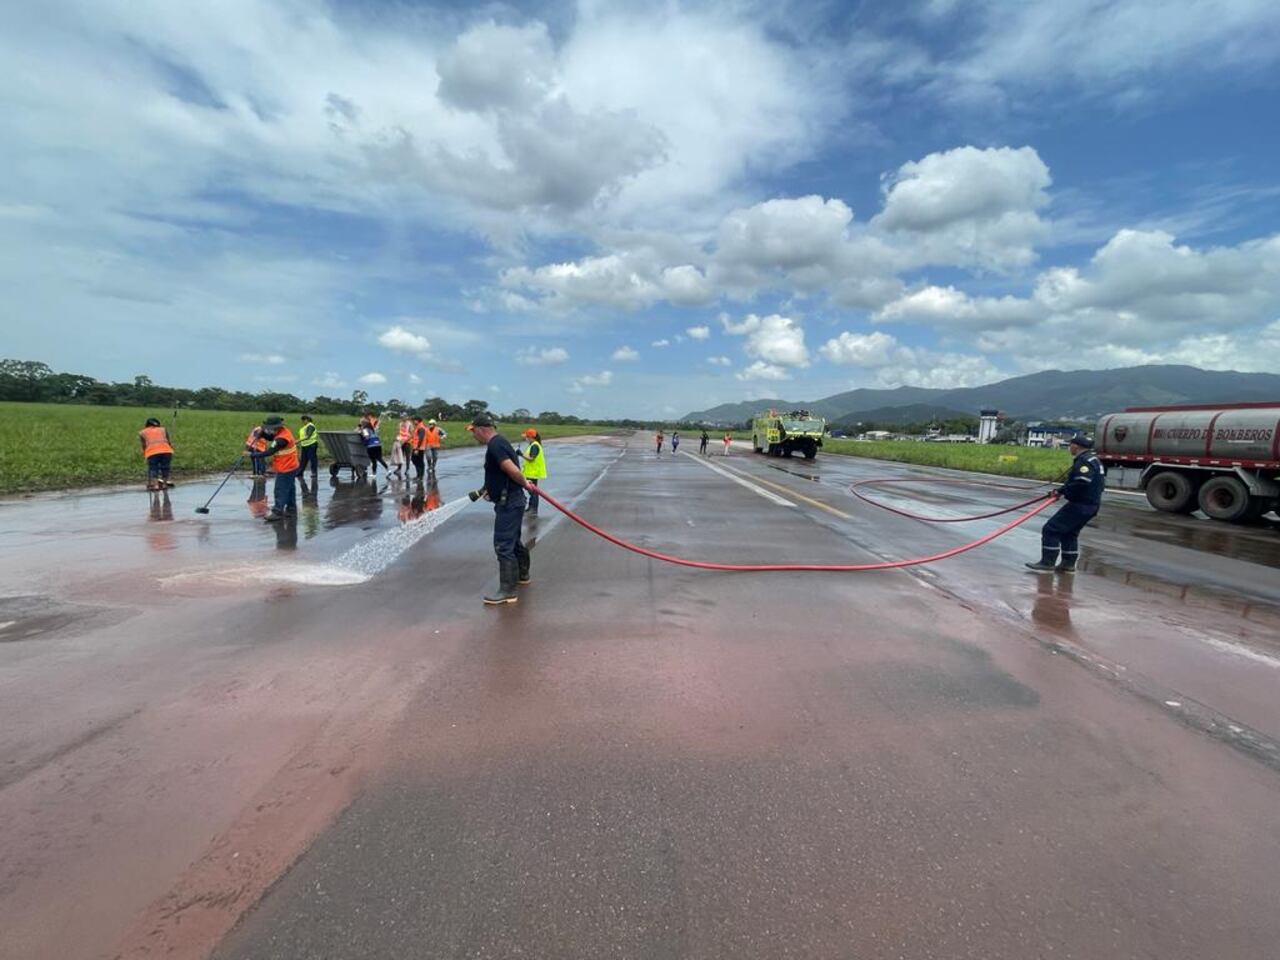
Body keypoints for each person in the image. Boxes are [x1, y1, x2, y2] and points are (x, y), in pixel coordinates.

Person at [466, 413, 532, 605]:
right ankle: (522, 575)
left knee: (503, 545)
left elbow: (511, 469)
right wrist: (490, 489)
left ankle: (507, 591)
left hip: (509, 503)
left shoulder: (495, 445)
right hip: (512, 500)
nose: (473, 435)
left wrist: (524, 483)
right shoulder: (500, 442)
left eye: (473, 431)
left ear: (481, 430)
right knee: (512, 541)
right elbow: (501, 473)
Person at [1026, 434, 1105, 573]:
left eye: (1070, 445)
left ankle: (1047, 562)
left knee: (1051, 529)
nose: (1069, 448)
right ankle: (1068, 564)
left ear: (1076, 446)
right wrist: (1060, 490)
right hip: (1090, 505)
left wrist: (1064, 491)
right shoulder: (1093, 459)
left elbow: (1081, 482)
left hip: (1081, 504)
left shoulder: (1084, 462)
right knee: (1069, 533)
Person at [260, 415, 300, 522]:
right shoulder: (283, 431)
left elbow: (270, 451)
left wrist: (252, 455)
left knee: (280, 489)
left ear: (275, 427)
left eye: (269, 428)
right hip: (291, 465)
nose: (268, 430)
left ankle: (277, 512)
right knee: (290, 489)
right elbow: (272, 437)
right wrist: (262, 435)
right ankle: (291, 509)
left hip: (286, 467)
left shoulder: (281, 439)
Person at [138, 417, 174, 491]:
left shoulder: (142, 432)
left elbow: (144, 445)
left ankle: (156, 485)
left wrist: (145, 454)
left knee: (153, 468)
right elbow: (168, 442)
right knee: (165, 468)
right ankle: (164, 485)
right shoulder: (163, 430)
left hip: (152, 452)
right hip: (166, 451)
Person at [518, 427, 546, 516]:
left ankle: (533, 509)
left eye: (526, 437)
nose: (525, 438)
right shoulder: (532, 445)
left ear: (531, 437)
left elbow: (531, 458)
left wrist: (521, 454)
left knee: (533, 492)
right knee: (532, 492)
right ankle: (531, 508)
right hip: (531, 472)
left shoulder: (534, 446)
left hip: (533, 473)